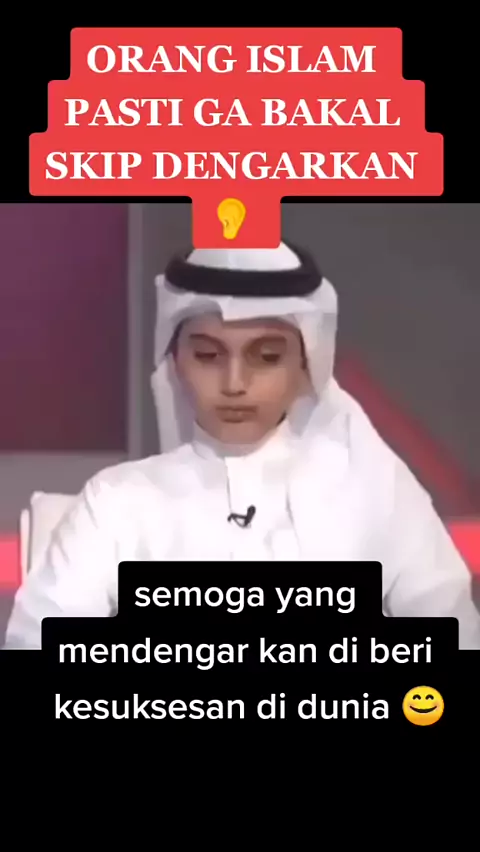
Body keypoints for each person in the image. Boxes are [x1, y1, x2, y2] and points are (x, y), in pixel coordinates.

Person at [4, 241, 480, 649]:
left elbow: (453, 633)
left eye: (266, 356)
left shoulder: (376, 491)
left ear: (306, 366)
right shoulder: (117, 501)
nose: (235, 383)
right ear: (175, 363)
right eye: (208, 355)